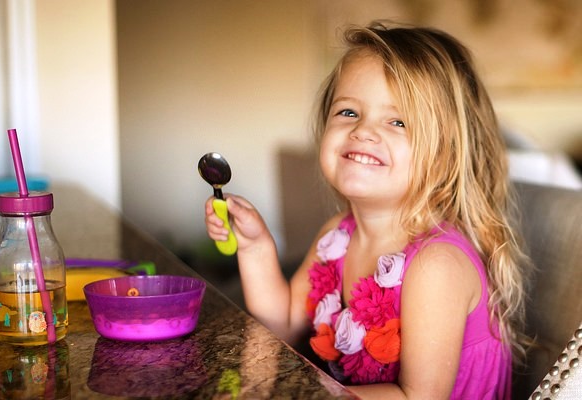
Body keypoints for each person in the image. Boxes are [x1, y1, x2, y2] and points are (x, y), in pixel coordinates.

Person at [204, 20, 529, 399]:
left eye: (397, 121)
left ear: (447, 155)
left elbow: (417, 397)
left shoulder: (435, 265)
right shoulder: (336, 237)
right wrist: (255, 247)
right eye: (348, 112)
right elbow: (285, 323)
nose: (363, 131)